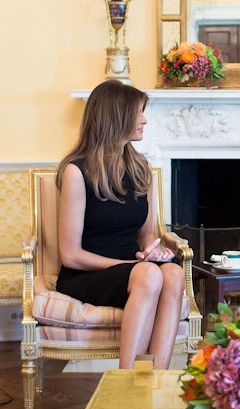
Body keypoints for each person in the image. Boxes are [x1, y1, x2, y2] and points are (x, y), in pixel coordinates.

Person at [55, 80, 184, 370]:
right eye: (138, 113)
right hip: (84, 274)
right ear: (116, 117)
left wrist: (153, 251)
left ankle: (155, 380)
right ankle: (127, 386)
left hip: (135, 268)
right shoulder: (77, 172)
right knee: (149, 276)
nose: (144, 120)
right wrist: (132, 266)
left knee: (174, 273)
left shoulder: (140, 169)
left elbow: (146, 233)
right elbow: (71, 255)